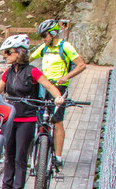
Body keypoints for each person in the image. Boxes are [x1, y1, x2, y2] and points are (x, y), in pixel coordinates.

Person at [0, 34, 65, 189]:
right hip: (10, 118)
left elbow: (49, 86)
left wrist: (58, 97)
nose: (5, 56)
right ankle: (6, 187)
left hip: (27, 118)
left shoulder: (32, 71)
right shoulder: (8, 73)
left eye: (8, 52)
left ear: (19, 53)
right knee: (8, 154)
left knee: (20, 156)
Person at [30, 20, 88, 160]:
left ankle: (58, 156)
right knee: (39, 117)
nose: (43, 39)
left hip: (59, 87)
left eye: (44, 36)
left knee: (57, 120)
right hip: (43, 86)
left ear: (53, 33)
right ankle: (39, 151)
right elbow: (29, 58)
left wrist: (66, 77)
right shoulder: (44, 47)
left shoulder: (65, 46)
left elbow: (81, 65)